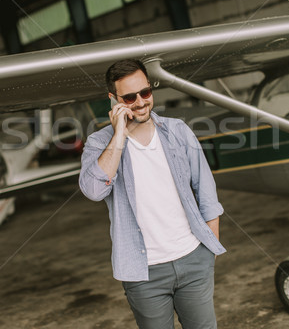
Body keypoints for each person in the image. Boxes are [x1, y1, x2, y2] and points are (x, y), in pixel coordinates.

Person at [79, 59, 226, 329]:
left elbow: (206, 192)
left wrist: (208, 252)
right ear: (113, 99)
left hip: (193, 258)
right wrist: (119, 133)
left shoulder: (178, 131)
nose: (140, 102)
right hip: (143, 273)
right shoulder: (99, 143)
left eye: (145, 92)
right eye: (129, 97)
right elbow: (93, 190)